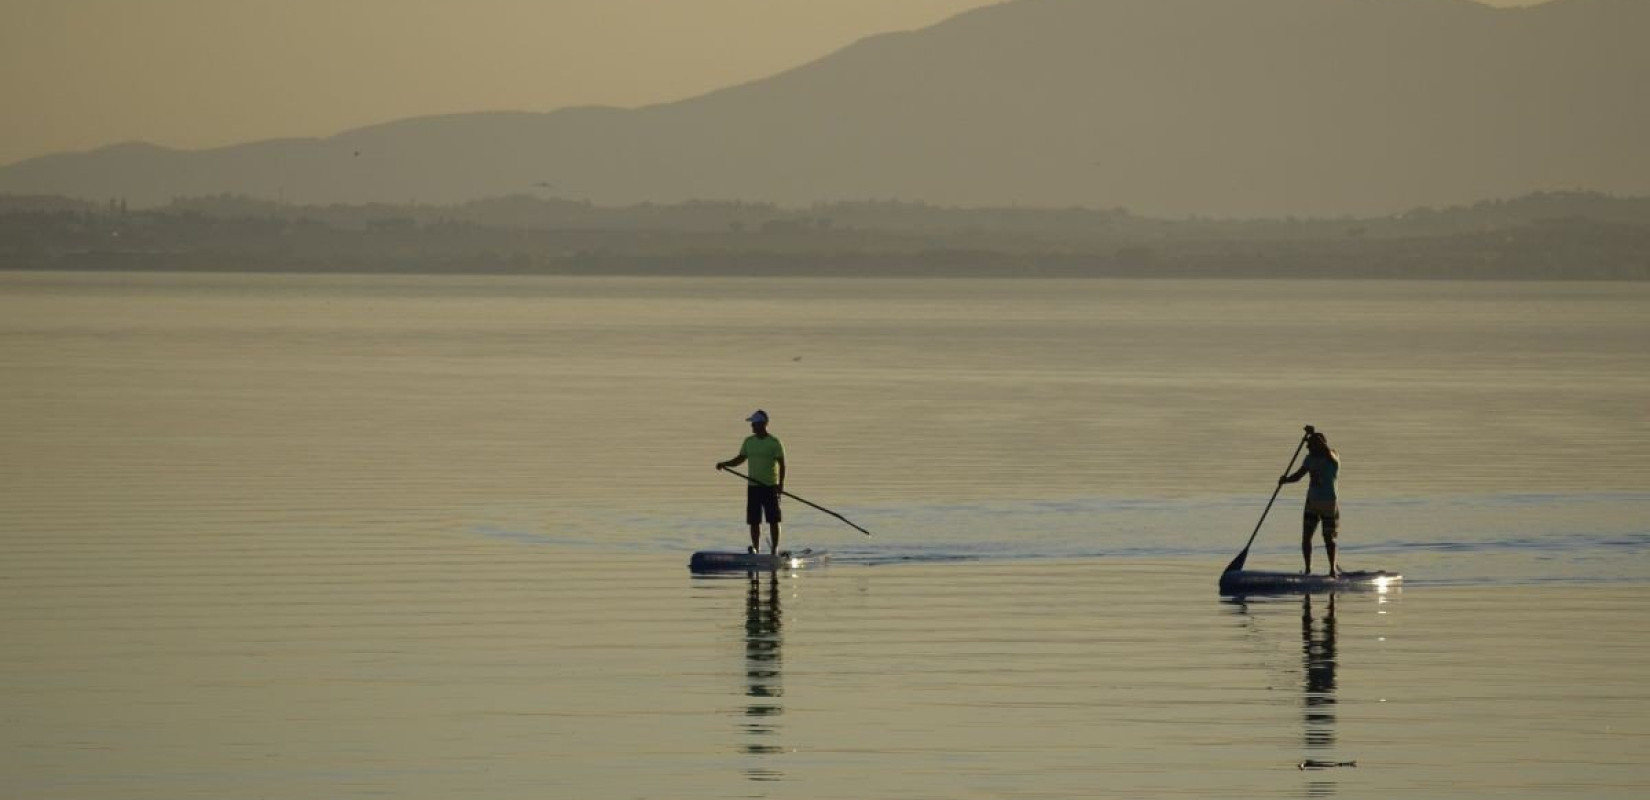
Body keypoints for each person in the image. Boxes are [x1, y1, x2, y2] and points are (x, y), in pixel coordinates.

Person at [715, 409, 787, 555]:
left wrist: (780, 485)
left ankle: (774, 549)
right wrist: (725, 464)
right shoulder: (749, 441)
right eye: (752, 424)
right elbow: (740, 459)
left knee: (773, 520)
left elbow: (782, 464)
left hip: (770, 487)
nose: (752, 426)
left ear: (762, 424)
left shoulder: (774, 443)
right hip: (753, 487)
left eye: (754, 423)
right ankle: (756, 549)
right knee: (754, 521)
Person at [1279, 430, 1341, 576]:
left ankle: (1332, 570)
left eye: (1311, 445)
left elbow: (1325, 449)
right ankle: (1307, 570)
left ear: (1319, 444)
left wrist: (1314, 436)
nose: (1308, 448)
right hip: (1311, 503)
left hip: (1329, 504)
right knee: (1306, 537)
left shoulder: (1332, 457)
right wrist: (1286, 480)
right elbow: (1299, 475)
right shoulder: (1309, 459)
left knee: (1328, 539)